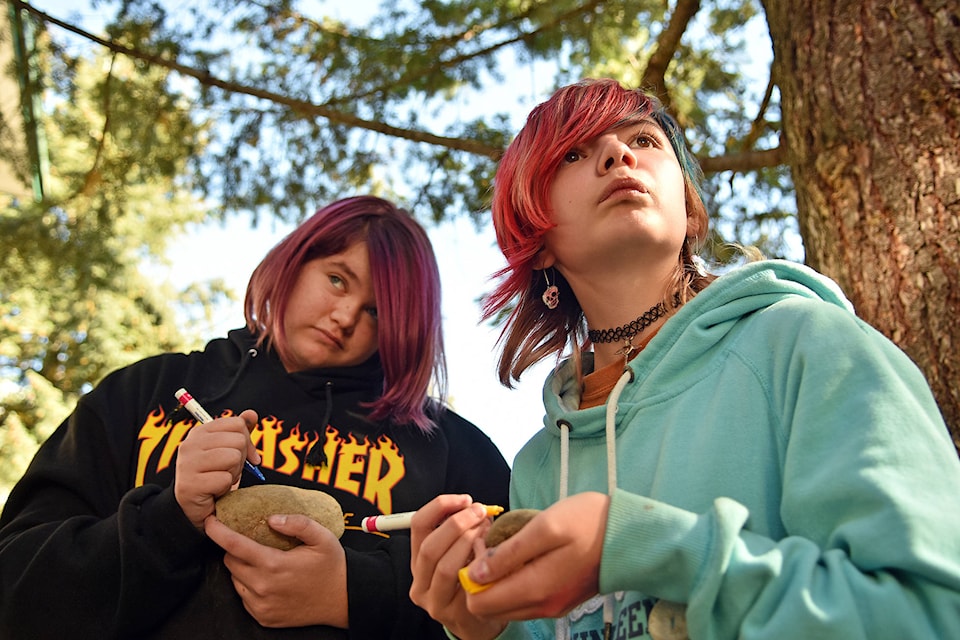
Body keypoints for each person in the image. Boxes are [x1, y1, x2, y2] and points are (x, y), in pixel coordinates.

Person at [408, 78, 960, 640]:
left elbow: (930, 613)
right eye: (573, 153)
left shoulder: (809, 345)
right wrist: (486, 629)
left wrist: (635, 544)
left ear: (690, 209)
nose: (619, 154)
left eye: (644, 140)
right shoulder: (539, 468)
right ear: (538, 237)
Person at [0, 195, 510, 639]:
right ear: (294, 260)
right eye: (337, 279)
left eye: (377, 312)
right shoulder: (147, 394)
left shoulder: (449, 450)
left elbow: (521, 612)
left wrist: (358, 595)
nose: (346, 317)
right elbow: (16, 590)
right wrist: (168, 521)